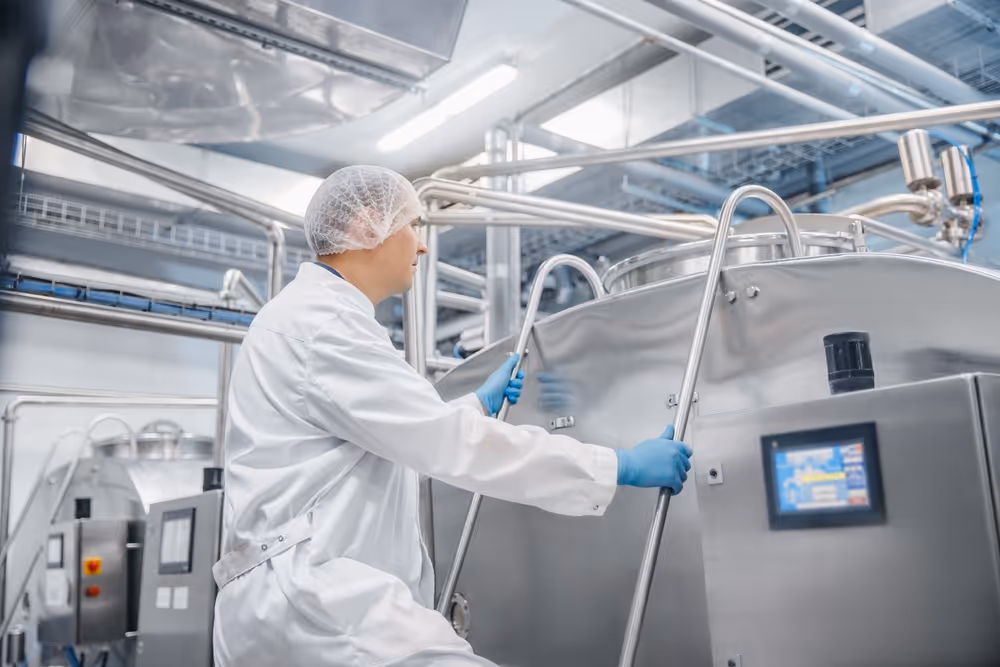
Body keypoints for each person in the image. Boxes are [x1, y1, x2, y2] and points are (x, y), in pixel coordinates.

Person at [212, 165, 693, 667]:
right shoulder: (323, 325)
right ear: (363, 224)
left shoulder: (317, 319)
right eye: (413, 226)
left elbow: (390, 441)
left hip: (294, 605)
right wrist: (618, 465)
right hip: (314, 603)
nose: (421, 246)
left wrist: (473, 406)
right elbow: (449, 443)